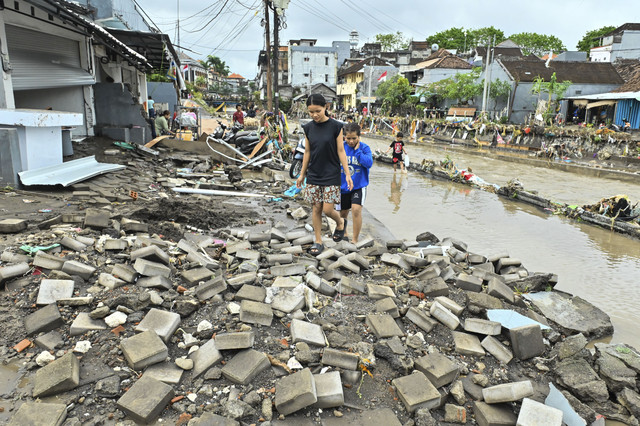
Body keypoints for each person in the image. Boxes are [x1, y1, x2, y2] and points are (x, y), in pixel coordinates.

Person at [296, 93, 353, 255]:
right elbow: (307, 152)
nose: (314, 115)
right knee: (316, 208)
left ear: (326, 107)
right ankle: (318, 240)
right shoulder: (308, 128)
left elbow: (341, 151)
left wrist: (347, 174)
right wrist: (302, 174)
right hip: (314, 173)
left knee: (328, 210)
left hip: (331, 173)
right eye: (311, 112)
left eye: (318, 111)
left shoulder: (336, 127)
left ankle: (340, 223)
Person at [338, 122, 372, 244]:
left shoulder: (365, 148)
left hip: (359, 186)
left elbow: (368, 163)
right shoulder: (340, 147)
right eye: (348, 138)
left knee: (356, 209)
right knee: (343, 212)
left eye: (354, 138)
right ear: (344, 137)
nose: (351, 141)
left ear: (359, 137)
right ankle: (345, 233)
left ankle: (355, 240)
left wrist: (358, 152)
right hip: (343, 186)